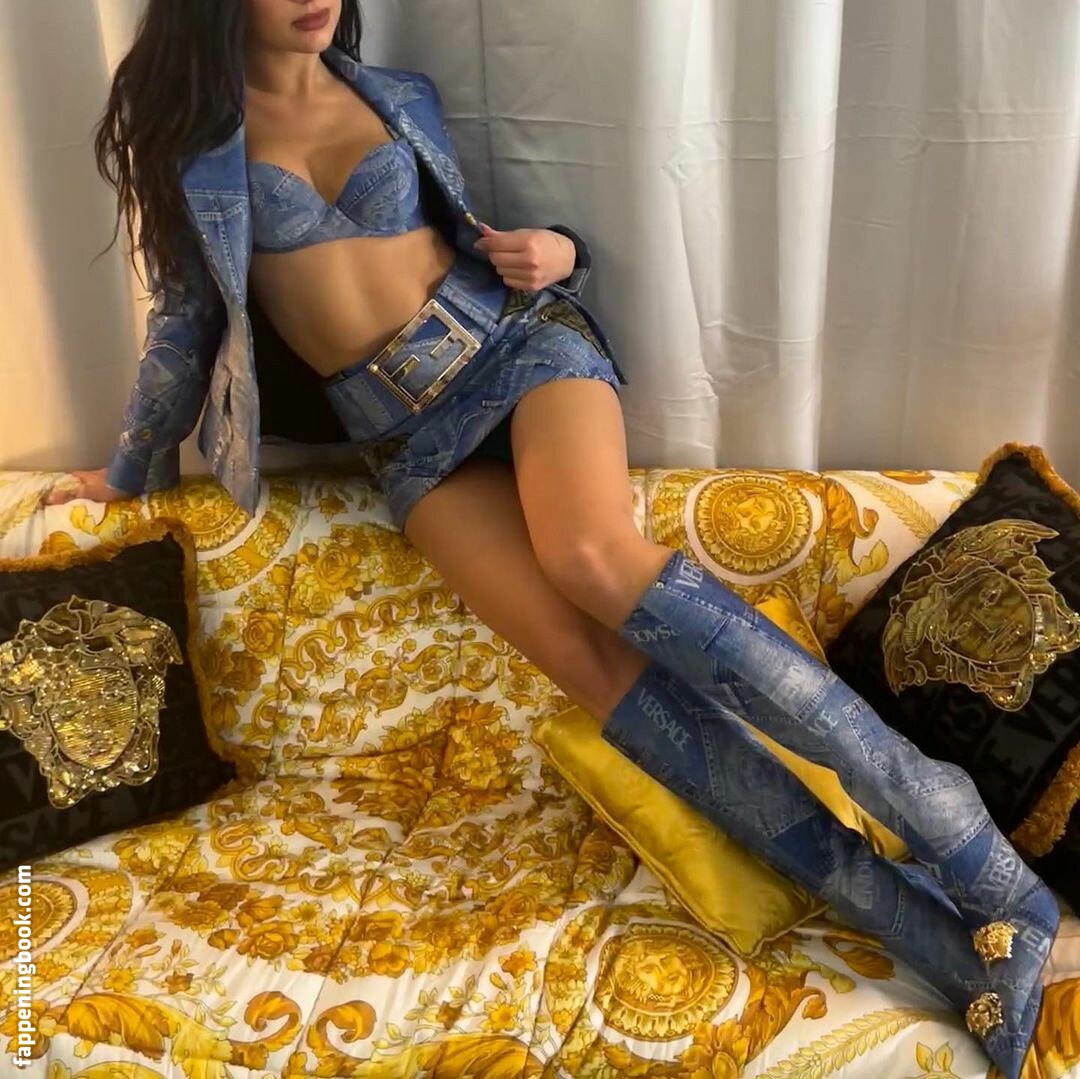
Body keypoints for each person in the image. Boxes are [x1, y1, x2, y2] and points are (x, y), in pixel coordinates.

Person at [48, 3, 1067, 1074]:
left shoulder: (394, 95)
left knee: (591, 556)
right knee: (592, 666)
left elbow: (476, 233)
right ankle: (949, 950)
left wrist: (562, 250)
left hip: (521, 349)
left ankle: (968, 845)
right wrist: (131, 466)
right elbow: (182, 319)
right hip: (406, 440)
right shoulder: (193, 142)